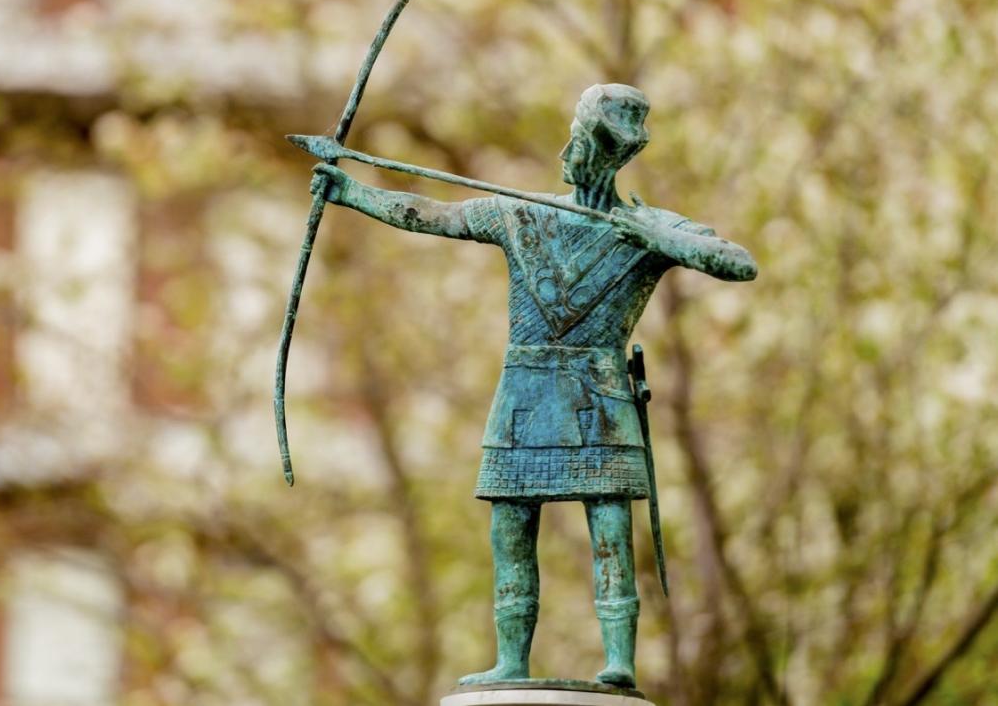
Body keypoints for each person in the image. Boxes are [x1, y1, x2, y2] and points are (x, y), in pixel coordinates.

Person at [308, 83, 757, 688]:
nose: (568, 154)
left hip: (599, 394)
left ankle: (619, 659)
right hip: (524, 390)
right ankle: (512, 659)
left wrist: (655, 239)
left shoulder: (650, 225)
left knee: (610, 527)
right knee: (510, 526)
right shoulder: (522, 213)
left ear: (610, 154)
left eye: (582, 143)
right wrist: (350, 192)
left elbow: (737, 262)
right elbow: (434, 214)